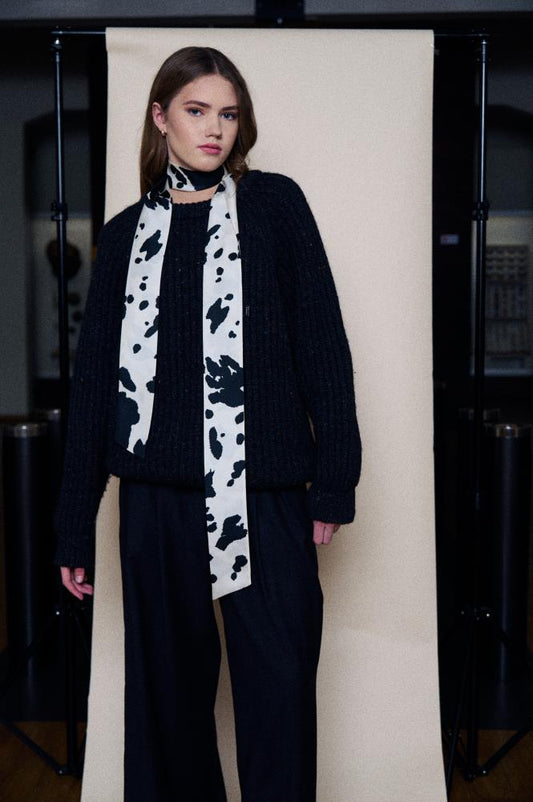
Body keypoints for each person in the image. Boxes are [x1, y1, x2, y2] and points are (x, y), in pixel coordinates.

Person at [55, 45, 361, 802]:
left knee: (279, 691)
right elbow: (94, 384)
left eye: (227, 114)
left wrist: (332, 483)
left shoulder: (274, 205)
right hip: (157, 500)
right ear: (161, 118)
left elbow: (321, 341)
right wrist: (72, 525)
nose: (214, 129)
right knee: (166, 706)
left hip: (264, 494)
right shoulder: (127, 234)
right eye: (196, 111)